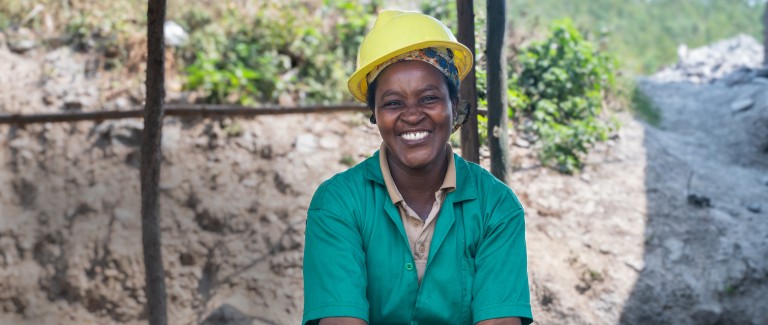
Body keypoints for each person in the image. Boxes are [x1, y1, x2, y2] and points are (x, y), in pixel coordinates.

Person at [302, 10, 532, 325]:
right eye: (393, 103)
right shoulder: (338, 204)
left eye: (428, 98)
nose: (412, 116)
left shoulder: (496, 207)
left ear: (454, 105)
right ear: (375, 114)